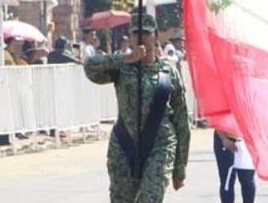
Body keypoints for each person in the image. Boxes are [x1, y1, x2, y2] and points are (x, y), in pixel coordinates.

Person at [84, 12, 190, 202]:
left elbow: (182, 120)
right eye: (136, 33)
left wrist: (180, 167)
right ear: (131, 37)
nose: (141, 38)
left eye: (146, 33)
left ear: (156, 36)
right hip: (125, 144)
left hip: (160, 144)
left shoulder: (169, 73)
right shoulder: (121, 67)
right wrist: (125, 59)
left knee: (150, 198)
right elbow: (90, 67)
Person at [214, 130, 255, 203]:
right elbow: (214, 119)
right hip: (225, 137)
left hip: (247, 137)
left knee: (247, 180)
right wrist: (224, 138)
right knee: (227, 180)